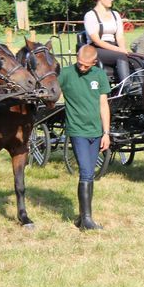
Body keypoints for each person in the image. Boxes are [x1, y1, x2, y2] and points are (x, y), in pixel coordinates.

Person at [58, 45, 111, 231]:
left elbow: (103, 105)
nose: (82, 68)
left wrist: (106, 133)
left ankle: (82, 217)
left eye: (86, 66)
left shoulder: (99, 75)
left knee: (89, 173)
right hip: (77, 130)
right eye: (80, 64)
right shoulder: (65, 74)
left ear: (94, 63)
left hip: (96, 132)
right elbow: (52, 93)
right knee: (87, 171)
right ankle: (87, 219)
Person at [83, 0, 130, 86]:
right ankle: (127, 87)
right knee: (121, 57)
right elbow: (96, 40)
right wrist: (119, 50)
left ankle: (143, 89)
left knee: (139, 60)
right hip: (97, 49)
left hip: (115, 47)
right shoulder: (90, 16)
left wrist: (122, 48)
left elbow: (120, 36)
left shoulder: (115, 14)